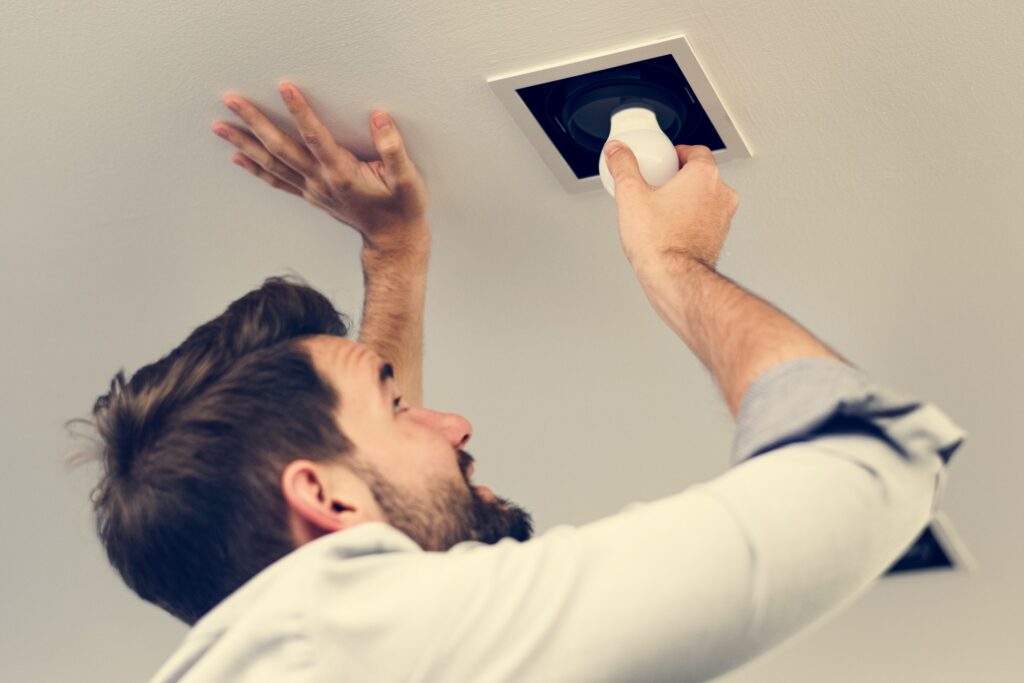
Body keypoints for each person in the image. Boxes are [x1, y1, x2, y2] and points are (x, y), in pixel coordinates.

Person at [71, 83, 966, 682]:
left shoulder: (309, 649)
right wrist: (673, 261)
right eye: (400, 408)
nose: (455, 423)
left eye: (405, 400)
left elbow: (373, 502)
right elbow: (865, 475)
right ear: (320, 499)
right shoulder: (336, 646)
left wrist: (393, 255)